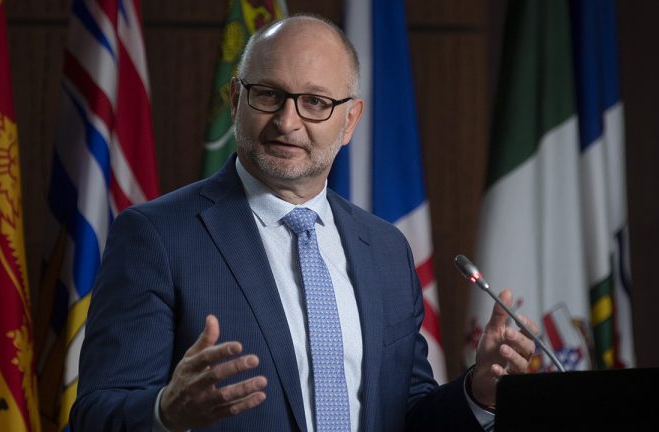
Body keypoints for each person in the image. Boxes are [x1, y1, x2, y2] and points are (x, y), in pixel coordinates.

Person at [70, 14, 538, 432]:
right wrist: (165, 413)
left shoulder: (386, 249)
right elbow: (95, 414)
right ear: (236, 99)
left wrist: (479, 392)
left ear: (350, 120)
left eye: (315, 102)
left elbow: (406, 414)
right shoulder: (157, 236)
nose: (287, 122)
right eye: (268, 94)